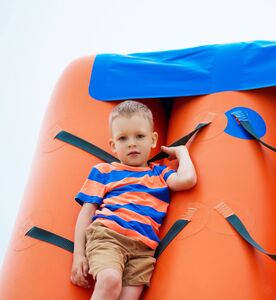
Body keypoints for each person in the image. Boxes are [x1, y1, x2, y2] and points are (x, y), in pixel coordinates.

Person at [70, 100, 197, 300]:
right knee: (110, 279)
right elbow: (86, 211)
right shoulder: (104, 171)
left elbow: (187, 180)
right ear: (113, 145)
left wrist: (182, 152)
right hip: (109, 237)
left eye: (139, 136)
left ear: (153, 139)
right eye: (123, 138)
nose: (132, 143)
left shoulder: (160, 173)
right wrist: (78, 254)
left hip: (144, 249)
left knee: (129, 296)